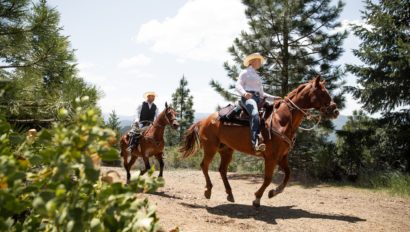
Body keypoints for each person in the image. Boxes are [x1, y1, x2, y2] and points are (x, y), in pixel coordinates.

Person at [235, 53, 280, 152]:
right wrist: (244, 93)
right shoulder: (245, 72)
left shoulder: (257, 76)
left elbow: (262, 93)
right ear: (251, 61)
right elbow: (238, 85)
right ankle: (255, 142)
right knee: (255, 114)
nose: (260, 63)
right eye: (258, 60)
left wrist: (274, 98)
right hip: (248, 98)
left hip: (258, 98)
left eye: (260, 61)